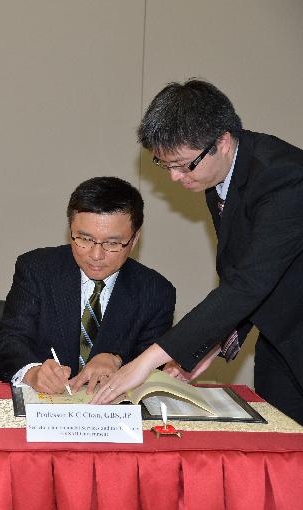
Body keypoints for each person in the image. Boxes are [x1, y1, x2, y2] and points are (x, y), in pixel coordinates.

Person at [92, 80, 303, 425]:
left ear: (221, 141)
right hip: (279, 337)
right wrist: (212, 344)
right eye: (165, 165)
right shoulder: (215, 174)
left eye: (182, 164)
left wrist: (145, 361)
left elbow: (249, 281)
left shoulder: (284, 178)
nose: (175, 177)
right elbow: (243, 270)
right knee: (277, 449)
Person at [0, 177, 176, 395]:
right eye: (84, 239)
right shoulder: (37, 269)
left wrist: (116, 360)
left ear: (134, 239)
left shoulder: (155, 292)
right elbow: (8, 342)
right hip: (42, 405)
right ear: (70, 229)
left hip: (113, 417)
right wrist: (33, 372)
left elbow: (155, 361)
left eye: (112, 243)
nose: (96, 255)